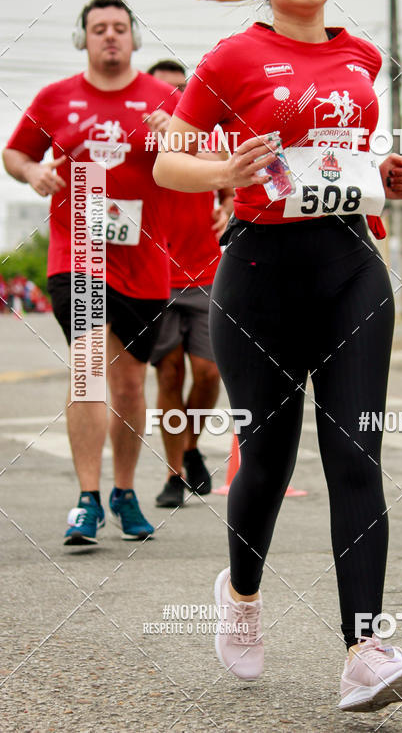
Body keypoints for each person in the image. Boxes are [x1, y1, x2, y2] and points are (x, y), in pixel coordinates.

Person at [153, 0, 402, 712]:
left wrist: (390, 180)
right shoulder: (232, 59)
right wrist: (223, 174)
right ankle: (239, 597)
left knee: (355, 455)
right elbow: (170, 162)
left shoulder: (363, 60)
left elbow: (351, 162)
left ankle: (364, 650)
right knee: (265, 461)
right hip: (260, 273)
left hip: (351, 266)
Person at [3, 0, 179, 546]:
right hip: (77, 254)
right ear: (83, 38)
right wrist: (33, 174)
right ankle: (86, 498)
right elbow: (15, 154)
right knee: (87, 366)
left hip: (145, 262)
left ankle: (124, 493)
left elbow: (200, 152)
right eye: (98, 28)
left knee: (129, 385)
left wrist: (178, 129)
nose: (109, 36)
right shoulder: (55, 98)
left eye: (119, 28)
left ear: (134, 38)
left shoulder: (164, 97)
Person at [146, 60, 233, 508]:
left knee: (208, 373)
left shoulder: (208, 138)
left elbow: (228, 177)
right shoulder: (139, 139)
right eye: (162, 93)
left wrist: (228, 206)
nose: (172, 101)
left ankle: (192, 447)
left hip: (206, 274)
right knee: (170, 373)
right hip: (156, 276)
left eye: (181, 92)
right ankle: (173, 473)